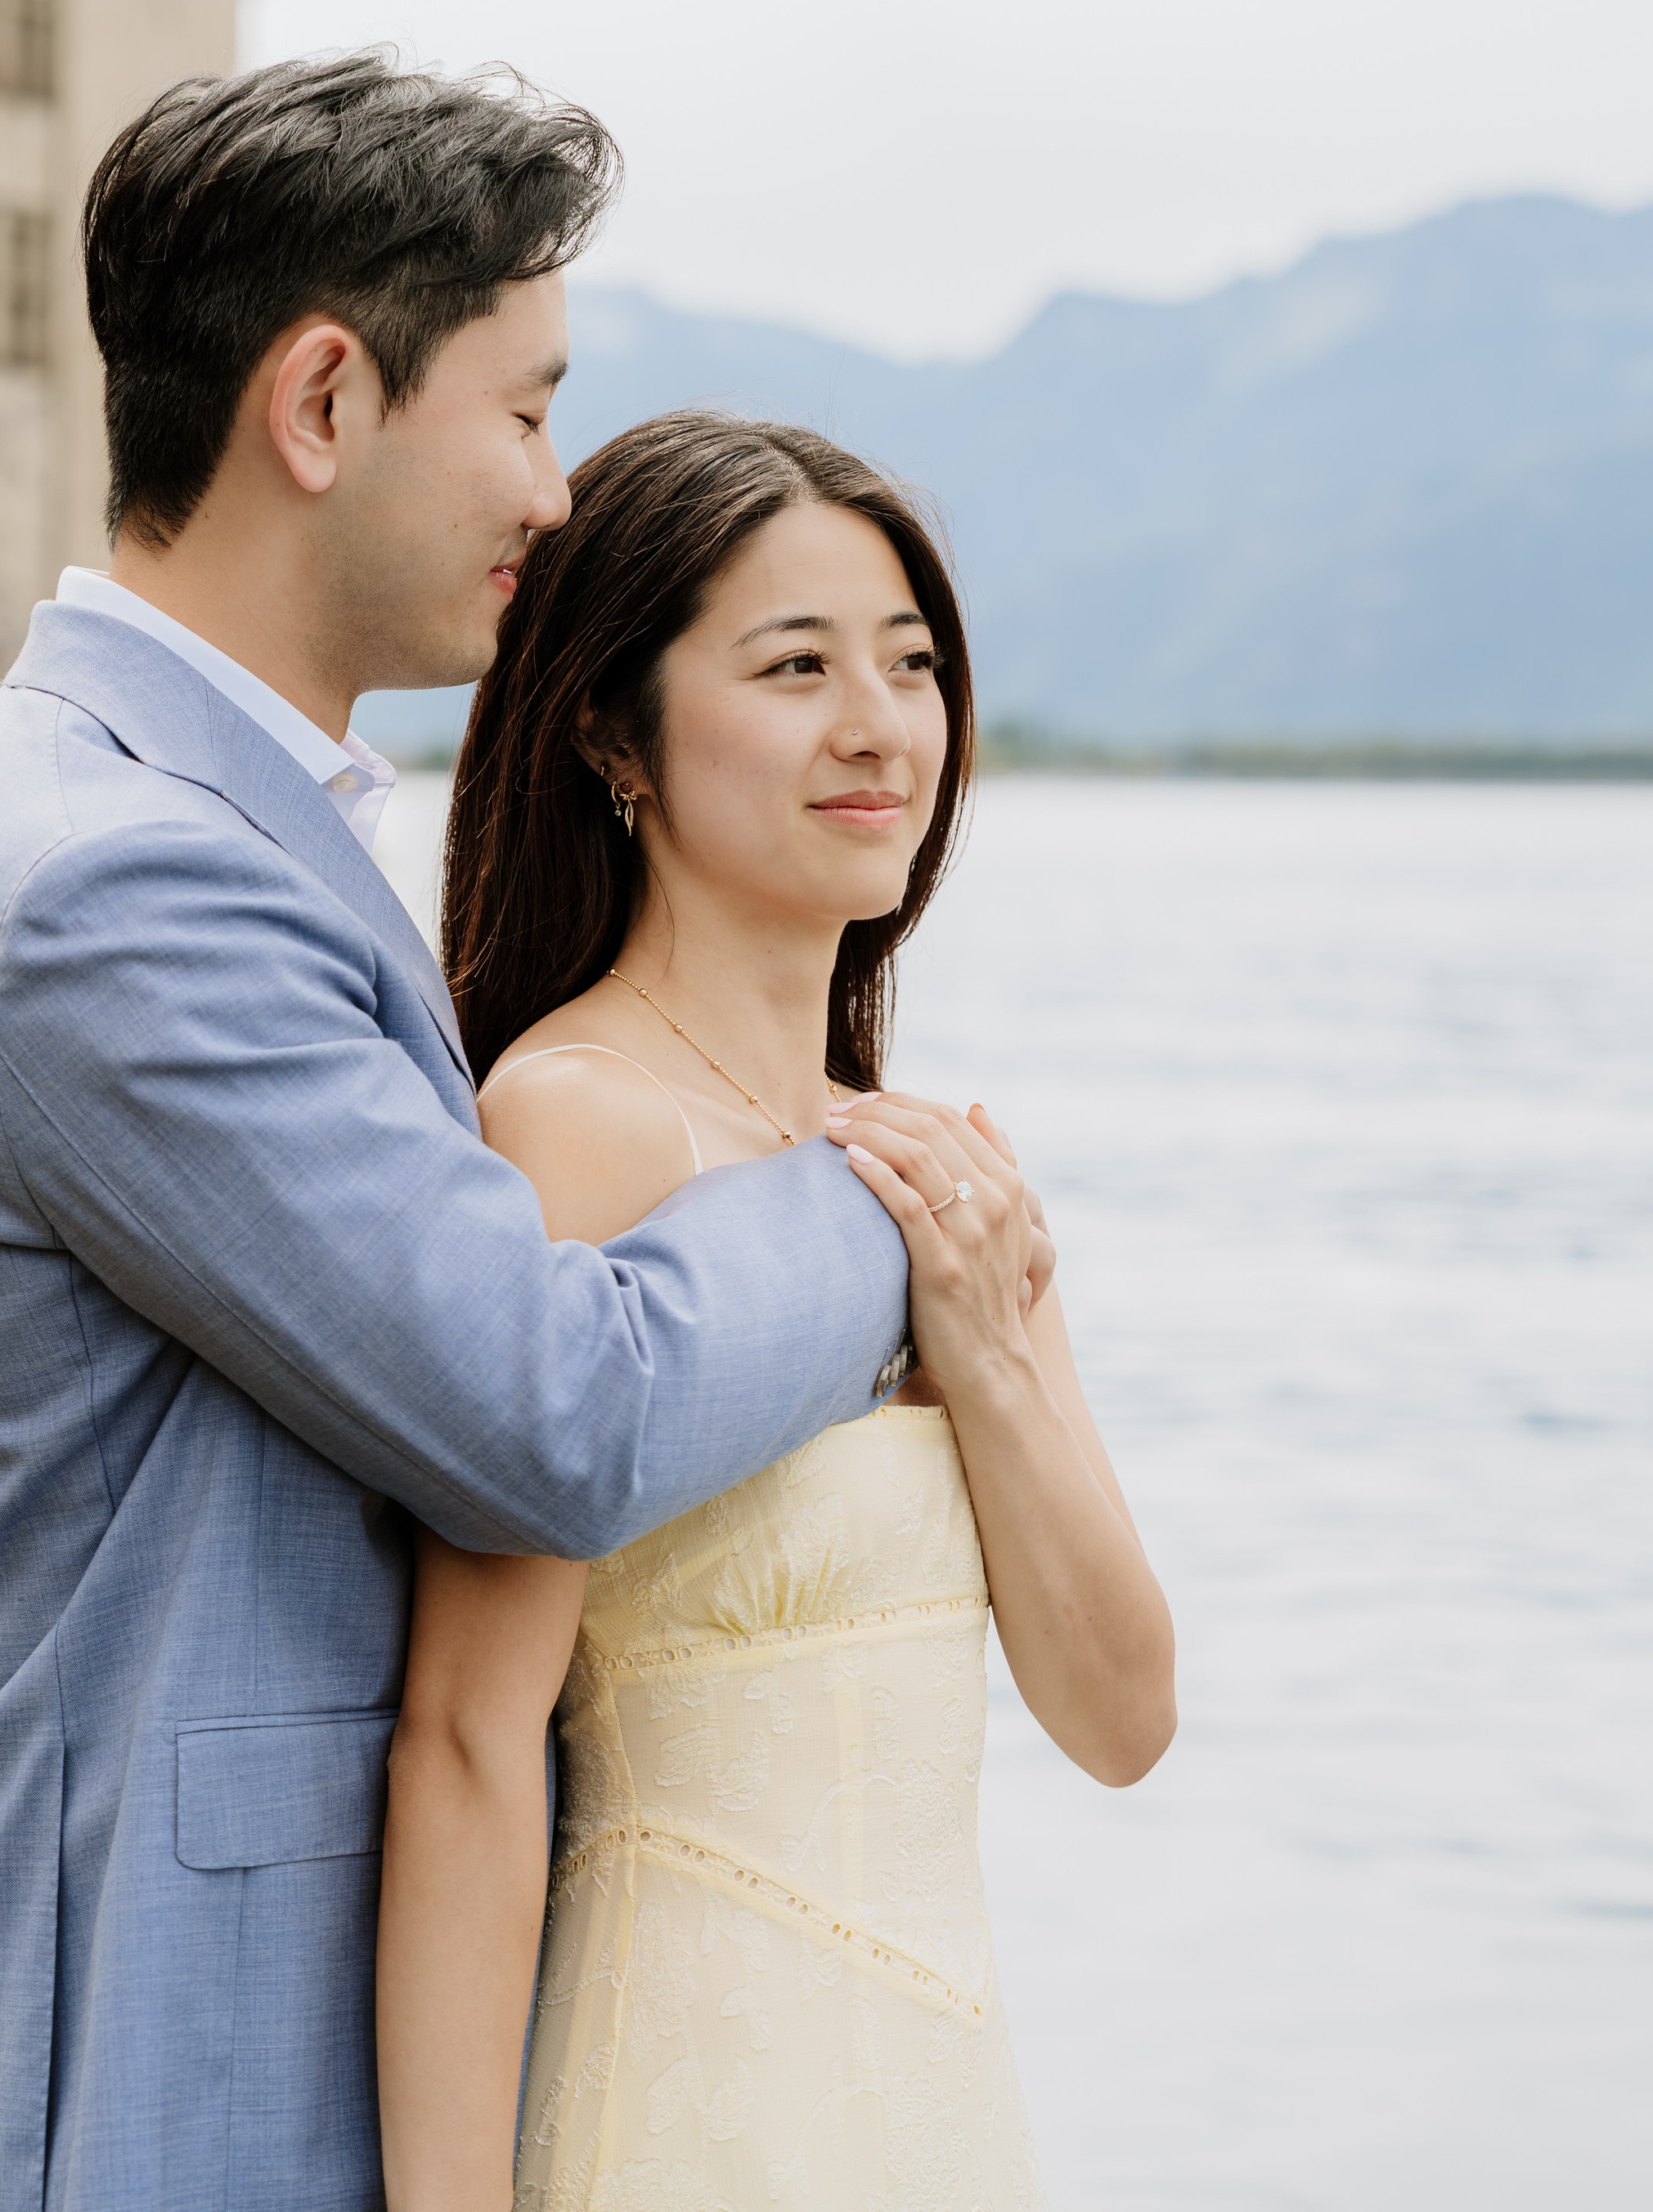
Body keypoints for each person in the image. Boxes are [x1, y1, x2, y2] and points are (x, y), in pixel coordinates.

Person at [0, 56, 923, 2212]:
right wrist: (883, 1200)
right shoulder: (114, 881)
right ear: (324, 403)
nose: (555, 490)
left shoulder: (209, 819)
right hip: (153, 2077)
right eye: (522, 411)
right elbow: (544, 1413)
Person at [377, 414, 1176, 2210]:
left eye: (910, 664)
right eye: (796, 666)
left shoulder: (929, 1177)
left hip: (939, 2116)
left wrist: (987, 1351)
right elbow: (468, 1737)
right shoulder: (573, 1125)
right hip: (681, 2107)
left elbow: (1122, 1718)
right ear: (611, 733)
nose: (879, 726)